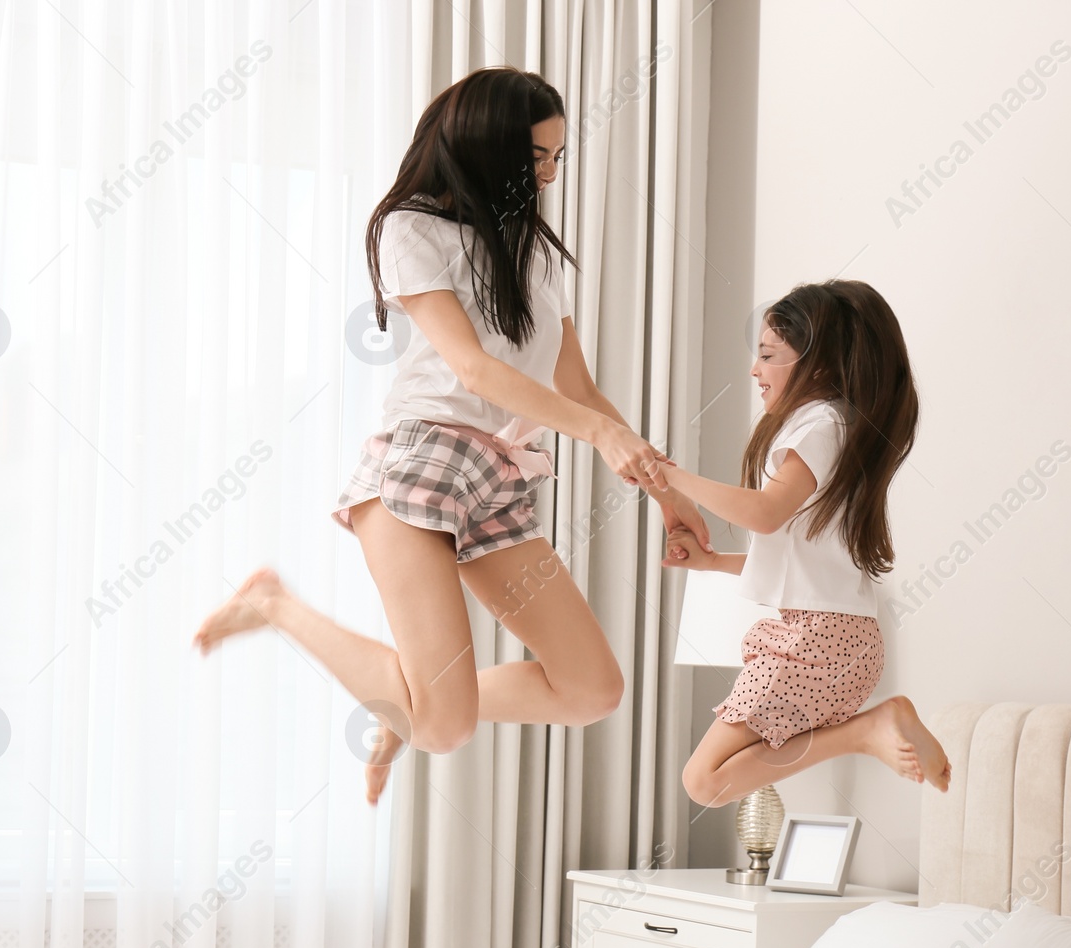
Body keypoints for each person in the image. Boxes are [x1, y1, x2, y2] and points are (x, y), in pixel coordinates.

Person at [192, 67, 712, 804]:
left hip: (498, 479)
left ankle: (410, 700)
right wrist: (597, 434)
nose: (551, 175)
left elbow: (581, 390)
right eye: (538, 159)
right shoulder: (413, 229)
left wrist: (667, 494)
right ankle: (274, 604)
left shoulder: (531, 253)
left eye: (559, 158)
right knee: (446, 728)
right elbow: (472, 369)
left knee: (592, 687)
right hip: (422, 468)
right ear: (489, 148)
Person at [659, 280, 952, 808]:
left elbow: (765, 515)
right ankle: (868, 729)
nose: (755, 370)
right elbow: (799, 556)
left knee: (703, 781)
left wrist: (672, 477)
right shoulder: (837, 427)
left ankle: (869, 730)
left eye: (768, 356)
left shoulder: (818, 427)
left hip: (815, 640)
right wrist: (712, 561)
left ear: (817, 365)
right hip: (844, 638)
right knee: (707, 780)